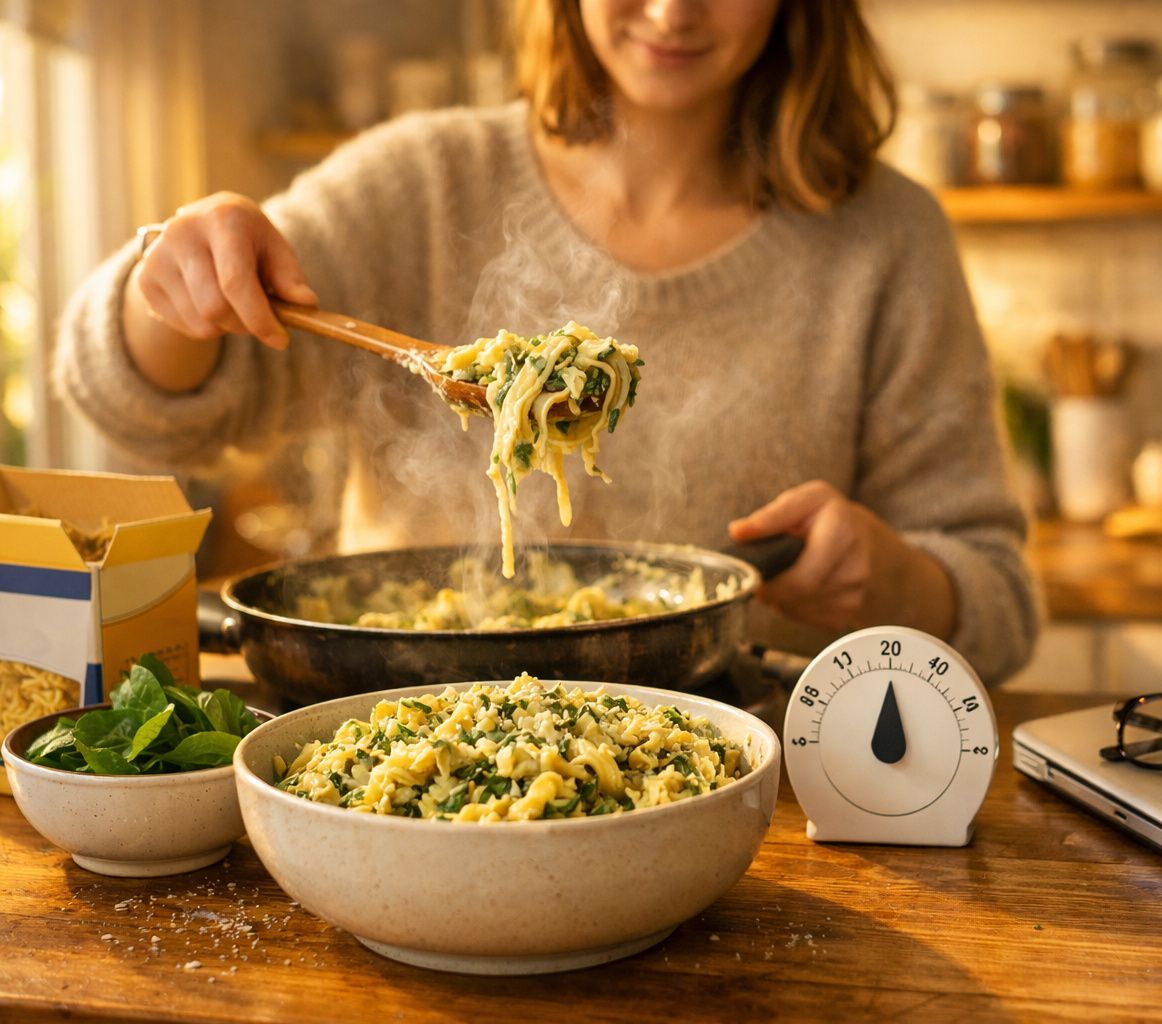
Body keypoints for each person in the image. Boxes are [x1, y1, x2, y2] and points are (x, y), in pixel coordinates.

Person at [54, 0, 1038, 684]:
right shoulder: (424, 180)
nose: (671, 10)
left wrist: (898, 577)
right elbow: (131, 405)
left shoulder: (886, 239)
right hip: (406, 751)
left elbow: (997, 599)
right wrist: (172, 283)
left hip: (752, 793)